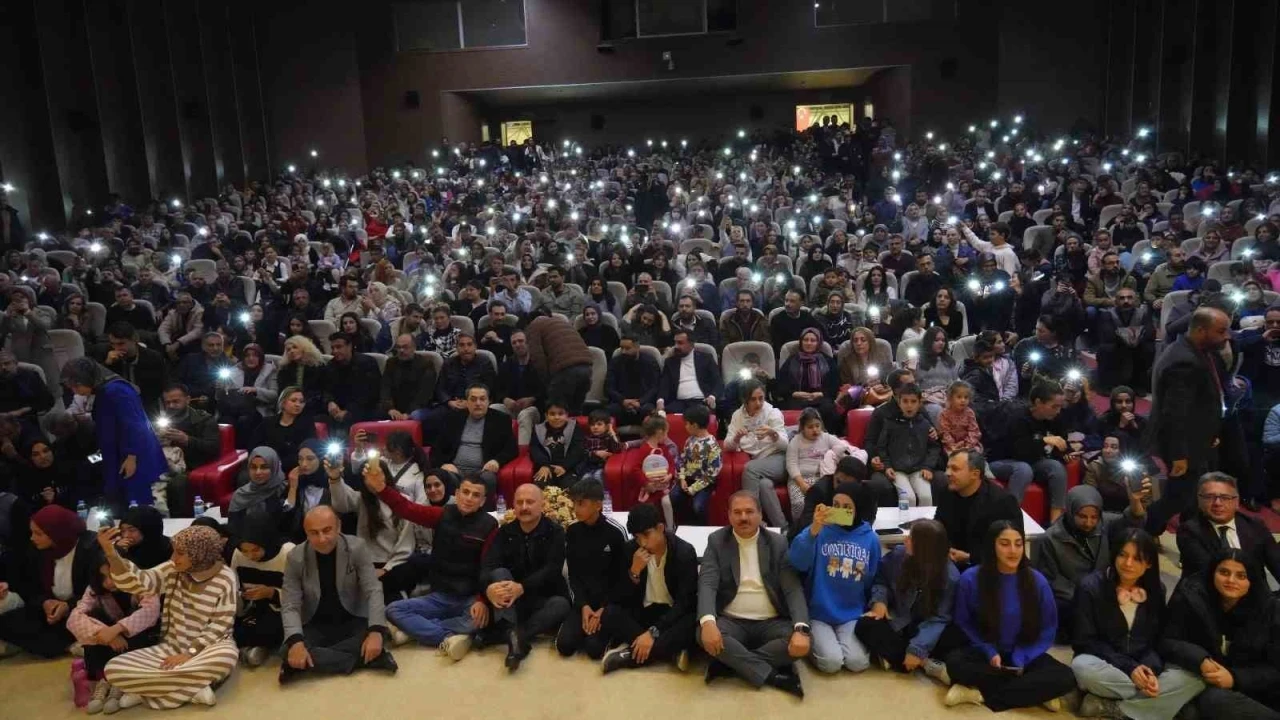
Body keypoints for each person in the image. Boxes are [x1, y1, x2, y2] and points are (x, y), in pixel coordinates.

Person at [97, 524, 238, 709]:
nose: (173, 558)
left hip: (207, 648)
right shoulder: (173, 569)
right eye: (174, 552)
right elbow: (139, 582)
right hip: (171, 647)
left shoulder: (226, 577)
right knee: (114, 668)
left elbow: (221, 625)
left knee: (227, 656)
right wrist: (111, 554)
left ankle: (147, 693)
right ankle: (194, 690)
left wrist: (189, 654)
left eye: (180, 553)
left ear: (199, 553)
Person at [1070, 528, 1206, 720]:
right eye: (1122, 555)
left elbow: (1157, 638)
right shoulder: (1090, 587)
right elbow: (1085, 641)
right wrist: (1130, 668)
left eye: (1137, 558)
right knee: (1082, 667)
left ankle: (1114, 707)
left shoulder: (1156, 590)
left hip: (1142, 662)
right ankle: (1164, 703)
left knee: (1195, 678)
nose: (1128, 563)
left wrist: (1149, 670)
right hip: (1106, 661)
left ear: (1149, 563)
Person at [944, 521, 1077, 711]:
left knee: (1066, 677)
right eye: (1005, 544)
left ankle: (978, 694)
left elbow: (1048, 630)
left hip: (1024, 655)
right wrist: (989, 651)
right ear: (992, 546)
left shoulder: (1037, 581)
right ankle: (1033, 692)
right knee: (955, 662)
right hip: (986, 654)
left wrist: (1022, 657)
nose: (1013, 551)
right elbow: (964, 623)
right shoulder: (971, 578)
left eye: (1018, 544)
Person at [698, 491, 810, 698]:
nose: (743, 517)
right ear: (729, 515)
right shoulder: (716, 541)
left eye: (749, 512)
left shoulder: (778, 543)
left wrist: (801, 629)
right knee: (702, 632)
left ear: (760, 514)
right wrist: (708, 622)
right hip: (731, 620)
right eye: (737, 512)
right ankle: (774, 677)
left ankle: (732, 663)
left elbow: (792, 588)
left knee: (802, 641)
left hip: (772, 621)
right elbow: (707, 583)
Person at [374, 471, 497, 660]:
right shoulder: (442, 514)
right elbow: (407, 509)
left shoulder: (490, 525)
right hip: (440, 596)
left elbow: (489, 566)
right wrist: (382, 489)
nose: (469, 498)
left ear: (483, 501)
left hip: (470, 598)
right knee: (393, 610)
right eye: (465, 492)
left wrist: (482, 600)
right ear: (457, 494)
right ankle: (448, 637)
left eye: (476, 495)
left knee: (481, 621)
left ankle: (417, 631)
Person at [279, 506, 397, 684]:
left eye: (327, 530)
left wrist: (375, 632)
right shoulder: (295, 557)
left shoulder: (357, 547)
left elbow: (373, 590)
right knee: (287, 648)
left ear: (338, 527)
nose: (322, 539)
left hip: (353, 618)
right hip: (316, 623)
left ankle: (303, 664)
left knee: (379, 633)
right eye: (314, 533)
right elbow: (290, 604)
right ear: (306, 533)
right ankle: (366, 660)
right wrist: (296, 643)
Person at [1160, 549, 1280, 718]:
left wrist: (1235, 678)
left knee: (1213, 701)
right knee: (1193, 709)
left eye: (1241, 576)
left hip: (1256, 689)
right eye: (1224, 572)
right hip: (1204, 680)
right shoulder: (1191, 597)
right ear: (1212, 573)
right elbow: (1167, 640)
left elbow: (1275, 669)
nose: (1231, 580)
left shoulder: (1270, 609)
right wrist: (1200, 659)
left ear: (1251, 580)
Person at [1145, 307, 1232, 534]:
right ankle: (1144, 532)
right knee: (1178, 498)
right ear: (1201, 330)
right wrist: (1179, 455)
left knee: (1193, 496)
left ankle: (1190, 536)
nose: (1227, 336)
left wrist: (1211, 434)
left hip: (1197, 440)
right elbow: (1175, 414)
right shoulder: (1184, 361)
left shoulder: (1194, 350)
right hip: (1184, 446)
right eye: (1221, 331)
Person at [1033, 485, 1148, 641]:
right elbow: (1052, 578)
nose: (1089, 523)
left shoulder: (1105, 523)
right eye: (1082, 516)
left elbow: (1133, 522)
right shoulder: (1051, 538)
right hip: (1072, 596)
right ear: (1070, 511)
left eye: (1094, 517)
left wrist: (1135, 502)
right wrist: (1086, 598)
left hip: (1105, 591)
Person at [787, 482, 879, 674]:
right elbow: (796, 562)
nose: (840, 511)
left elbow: (872, 577)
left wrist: (872, 605)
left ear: (858, 508)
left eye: (847, 507)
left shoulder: (871, 538)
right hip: (818, 613)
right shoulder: (819, 530)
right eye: (836, 505)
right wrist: (813, 531)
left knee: (858, 662)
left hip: (851, 614)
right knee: (831, 663)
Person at [855, 519, 962, 682]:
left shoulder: (950, 576)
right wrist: (879, 602)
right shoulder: (898, 555)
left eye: (911, 538)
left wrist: (917, 648)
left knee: (953, 637)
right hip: (897, 621)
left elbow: (939, 619)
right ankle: (925, 663)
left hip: (925, 628)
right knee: (865, 624)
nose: (905, 540)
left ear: (925, 547)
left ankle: (899, 658)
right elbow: (881, 580)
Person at [479, 484, 571, 672]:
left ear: (542, 505)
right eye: (519, 502)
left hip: (543, 599)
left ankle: (513, 635)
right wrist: (488, 589)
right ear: (513, 505)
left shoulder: (555, 532)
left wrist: (522, 587)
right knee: (498, 574)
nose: (524, 507)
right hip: (512, 602)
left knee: (561, 605)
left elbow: (552, 570)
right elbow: (487, 566)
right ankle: (515, 638)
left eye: (530, 502)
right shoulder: (504, 532)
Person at [599, 501, 699, 673]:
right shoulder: (630, 550)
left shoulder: (684, 552)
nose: (643, 543)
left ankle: (629, 655)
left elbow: (684, 603)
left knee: (694, 622)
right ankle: (670, 651)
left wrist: (653, 632)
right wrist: (634, 572)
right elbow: (619, 597)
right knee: (609, 613)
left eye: (646, 535)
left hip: (671, 615)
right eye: (637, 537)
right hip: (643, 612)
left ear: (660, 528)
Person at [60, 358, 167, 510]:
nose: (74, 391)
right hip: (118, 454)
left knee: (139, 505)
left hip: (133, 457)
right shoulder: (104, 390)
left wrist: (131, 456)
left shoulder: (116, 390)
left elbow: (134, 424)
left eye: (76, 386)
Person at [67, 551, 162, 714]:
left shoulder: (143, 583)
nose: (109, 582)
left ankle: (120, 680)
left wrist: (117, 628)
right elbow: (74, 618)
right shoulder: (94, 589)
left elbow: (150, 612)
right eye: (103, 577)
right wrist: (105, 633)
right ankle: (103, 679)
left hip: (138, 636)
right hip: (110, 639)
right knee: (91, 623)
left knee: (139, 626)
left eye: (113, 575)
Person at [0, 505, 96, 657]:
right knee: (7, 623)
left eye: (38, 534)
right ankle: (65, 643)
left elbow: (98, 591)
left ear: (57, 533)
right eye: (32, 532)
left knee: (58, 636)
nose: (32, 538)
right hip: (51, 611)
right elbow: (29, 587)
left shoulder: (89, 549)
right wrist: (45, 602)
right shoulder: (37, 550)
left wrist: (68, 606)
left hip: (83, 610)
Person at [556, 480, 628, 660]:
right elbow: (573, 575)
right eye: (574, 503)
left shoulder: (615, 532)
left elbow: (622, 577)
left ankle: (612, 634)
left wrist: (603, 608)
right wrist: (583, 606)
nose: (575, 509)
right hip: (584, 601)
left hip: (609, 603)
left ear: (598, 505)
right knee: (565, 646)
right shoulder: (572, 531)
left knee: (594, 650)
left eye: (581, 503)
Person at [988, 380, 1071, 523]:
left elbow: (1061, 443)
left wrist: (1065, 452)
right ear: (1038, 402)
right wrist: (1044, 440)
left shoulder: (1055, 418)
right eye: (1054, 406)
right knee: (1024, 469)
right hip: (1003, 461)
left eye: (1060, 406)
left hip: (1034, 461)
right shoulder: (1017, 417)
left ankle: (1055, 523)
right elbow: (1019, 451)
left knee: (1056, 467)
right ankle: (1009, 519)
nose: (1058, 411)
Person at [1176, 472, 1280, 583]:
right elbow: (1211, 574)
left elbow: (1276, 563)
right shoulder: (1189, 531)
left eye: (1225, 497)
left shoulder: (1254, 526)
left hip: (1254, 591)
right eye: (1209, 497)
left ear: (1236, 502)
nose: (1217, 503)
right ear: (1199, 501)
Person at [935, 449, 1023, 569]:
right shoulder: (947, 493)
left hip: (989, 566)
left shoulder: (1002, 501)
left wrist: (970, 557)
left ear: (975, 474)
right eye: (947, 468)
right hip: (951, 559)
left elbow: (1011, 546)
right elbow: (939, 525)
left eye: (955, 469)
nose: (947, 473)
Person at [431, 383, 516, 506]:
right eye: (473, 399)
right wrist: (443, 464)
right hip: (455, 471)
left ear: (489, 401)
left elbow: (511, 448)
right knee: (440, 476)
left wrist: (497, 461)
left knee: (488, 479)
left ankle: (485, 514)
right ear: (467, 402)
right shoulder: (453, 418)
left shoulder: (501, 420)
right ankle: (449, 514)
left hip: (482, 471)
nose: (478, 403)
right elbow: (436, 448)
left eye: (482, 399)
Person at [724, 380, 791, 530]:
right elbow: (727, 445)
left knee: (750, 469)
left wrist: (773, 433)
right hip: (760, 464)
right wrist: (736, 438)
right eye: (753, 399)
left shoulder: (773, 413)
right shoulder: (738, 416)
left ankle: (753, 518)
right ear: (745, 400)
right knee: (764, 485)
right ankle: (783, 528)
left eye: (761, 398)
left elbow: (786, 445)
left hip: (779, 459)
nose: (759, 403)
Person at [231, 515, 295, 667]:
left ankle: (253, 648)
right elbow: (234, 583)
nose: (250, 556)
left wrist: (272, 593)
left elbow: (302, 593)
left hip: (284, 610)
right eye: (245, 551)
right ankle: (255, 648)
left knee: (275, 628)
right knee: (229, 628)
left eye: (255, 550)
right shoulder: (238, 554)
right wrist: (241, 598)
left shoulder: (288, 552)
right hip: (253, 609)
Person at [865, 384, 940, 507]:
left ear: (919, 403)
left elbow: (934, 447)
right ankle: (905, 520)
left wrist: (928, 467)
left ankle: (925, 521)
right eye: (905, 401)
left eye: (913, 401)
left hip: (919, 470)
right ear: (899, 402)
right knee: (908, 498)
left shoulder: (925, 424)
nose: (909, 405)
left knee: (926, 497)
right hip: (897, 471)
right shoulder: (890, 424)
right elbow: (881, 447)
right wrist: (887, 466)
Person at [776, 327, 841, 432]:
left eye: (813, 340)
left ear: (818, 343)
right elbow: (781, 383)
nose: (809, 343)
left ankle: (826, 437)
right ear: (801, 342)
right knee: (793, 409)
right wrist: (794, 393)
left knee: (828, 409)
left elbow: (835, 384)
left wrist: (821, 394)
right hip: (796, 398)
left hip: (821, 398)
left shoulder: (828, 361)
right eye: (805, 340)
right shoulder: (791, 360)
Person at [319, 332, 381, 433]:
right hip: (339, 409)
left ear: (349, 346)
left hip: (364, 408)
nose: (335, 351)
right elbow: (326, 389)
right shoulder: (331, 366)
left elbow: (370, 394)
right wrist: (330, 402)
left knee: (348, 419)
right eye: (333, 348)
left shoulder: (367, 363)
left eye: (339, 347)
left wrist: (348, 411)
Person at [671, 404, 721, 524]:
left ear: (695, 425)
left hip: (705, 482)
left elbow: (712, 473)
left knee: (698, 506)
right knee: (674, 496)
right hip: (688, 478)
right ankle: (683, 524)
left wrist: (694, 488)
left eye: (687, 424)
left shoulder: (712, 445)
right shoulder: (689, 440)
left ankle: (701, 527)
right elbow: (682, 461)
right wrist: (682, 478)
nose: (685, 426)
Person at [494, 330, 544, 446]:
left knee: (524, 415)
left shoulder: (540, 364)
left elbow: (547, 390)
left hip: (534, 409)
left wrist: (532, 399)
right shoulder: (507, 365)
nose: (517, 344)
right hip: (513, 408)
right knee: (493, 409)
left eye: (520, 341)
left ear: (528, 343)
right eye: (514, 342)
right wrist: (504, 399)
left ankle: (523, 453)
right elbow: (497, 389)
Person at [655, 330, 722, 414]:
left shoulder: (706, 358)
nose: (676, 346)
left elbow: (718, 381)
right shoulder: (670, 362)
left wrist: (712, 397)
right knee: (661, 416)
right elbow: (664, 385)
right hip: (678, 403)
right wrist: (660, 401)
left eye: (680, 343)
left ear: (691, 344)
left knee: (700, 415)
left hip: (701, 401)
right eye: (675, 342)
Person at [228, 447, 290, 538]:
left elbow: (289, 525)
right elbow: (233, 530)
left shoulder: (285, 489)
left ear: (274, 467)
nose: (258, 472)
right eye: (253, 467)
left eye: (264, 467)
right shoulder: (241, 495)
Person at [606, 334, 660, 427]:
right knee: (608, 412)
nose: (623, 351)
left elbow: (655, 387)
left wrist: (640, 402)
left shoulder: (650, 362)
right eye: (621, 348)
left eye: (627, 348)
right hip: (621, 403)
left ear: (637, 347)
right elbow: (609, 387)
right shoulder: (615, 362)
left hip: (643, 403)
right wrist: (623, 400)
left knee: (649, 412)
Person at [529, 399, 584, 489]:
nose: (556, 417)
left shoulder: (575, 428)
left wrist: (564, 466)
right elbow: (535, 449)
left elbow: (578, 450)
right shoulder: (538, 429)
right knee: (539, 486)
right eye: (552, 414)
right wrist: (544, 465)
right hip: (546, 468)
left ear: (567, 415)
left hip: (568, 468)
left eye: (560, 414)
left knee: (571, 488)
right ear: (546, 416)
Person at [380, 333, 436, 422]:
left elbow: (424, 394)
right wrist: (390, 409)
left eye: (405, 347)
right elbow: (385, 388)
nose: (401, 350)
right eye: (398, 347)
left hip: (418, 407)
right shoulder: (391, 363)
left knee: (415, 415)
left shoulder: (426, 364)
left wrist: (408, 413)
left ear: (414, 347)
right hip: (395, 407)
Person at [258, 387, 317, 471]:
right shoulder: (268, 422)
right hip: (267, 466)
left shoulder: (307, 423)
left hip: (296, 467)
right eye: (293, 400)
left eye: (301, 402)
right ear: (283, 403)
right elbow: (255, 446)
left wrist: (280, 464)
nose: (298, 404)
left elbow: (309, 449)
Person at [114, 505, 172, 570]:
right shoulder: (121, 548)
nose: (125, 535)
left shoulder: (170, 549)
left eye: (132, 530)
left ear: (148, 530)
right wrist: (116, 552)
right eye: (123, 530)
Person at [577, 409, 623, 484]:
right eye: (592, 424)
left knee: (598, 476)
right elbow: (582, 453)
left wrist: (612, 432)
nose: (595, 427)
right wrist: (595, 453)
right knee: (585, 479)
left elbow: (618, 449)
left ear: (607, 426)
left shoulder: (609, 438)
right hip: (588, 467)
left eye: (599, 424)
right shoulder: (587, 439)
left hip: (603, 466)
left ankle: (602, 492)